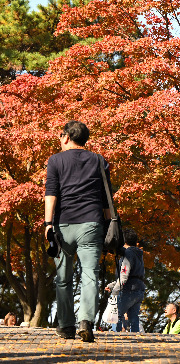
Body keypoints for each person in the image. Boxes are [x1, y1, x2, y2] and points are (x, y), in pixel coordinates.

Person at [45, 121, 111, 342]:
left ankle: (65, 326)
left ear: (65, 137)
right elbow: (106, 196)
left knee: (63, 279)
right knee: (89, 275)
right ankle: (85, 321)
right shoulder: (99, 160)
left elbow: (51, 193)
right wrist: (110, 225)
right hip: (91, 224)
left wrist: (48, 224)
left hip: (63, 226)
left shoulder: (55, 161)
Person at [105, 228, 146, 333]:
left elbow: (124, 276)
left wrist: (115, 291)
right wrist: (112, 285)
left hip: (128, 290)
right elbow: (134, 275)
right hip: (139, 290)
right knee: (134, 318)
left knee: (116, 315)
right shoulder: (139, 254)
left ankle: (116, 339)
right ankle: (136, 339)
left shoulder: (128, 254)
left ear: (123, 241)